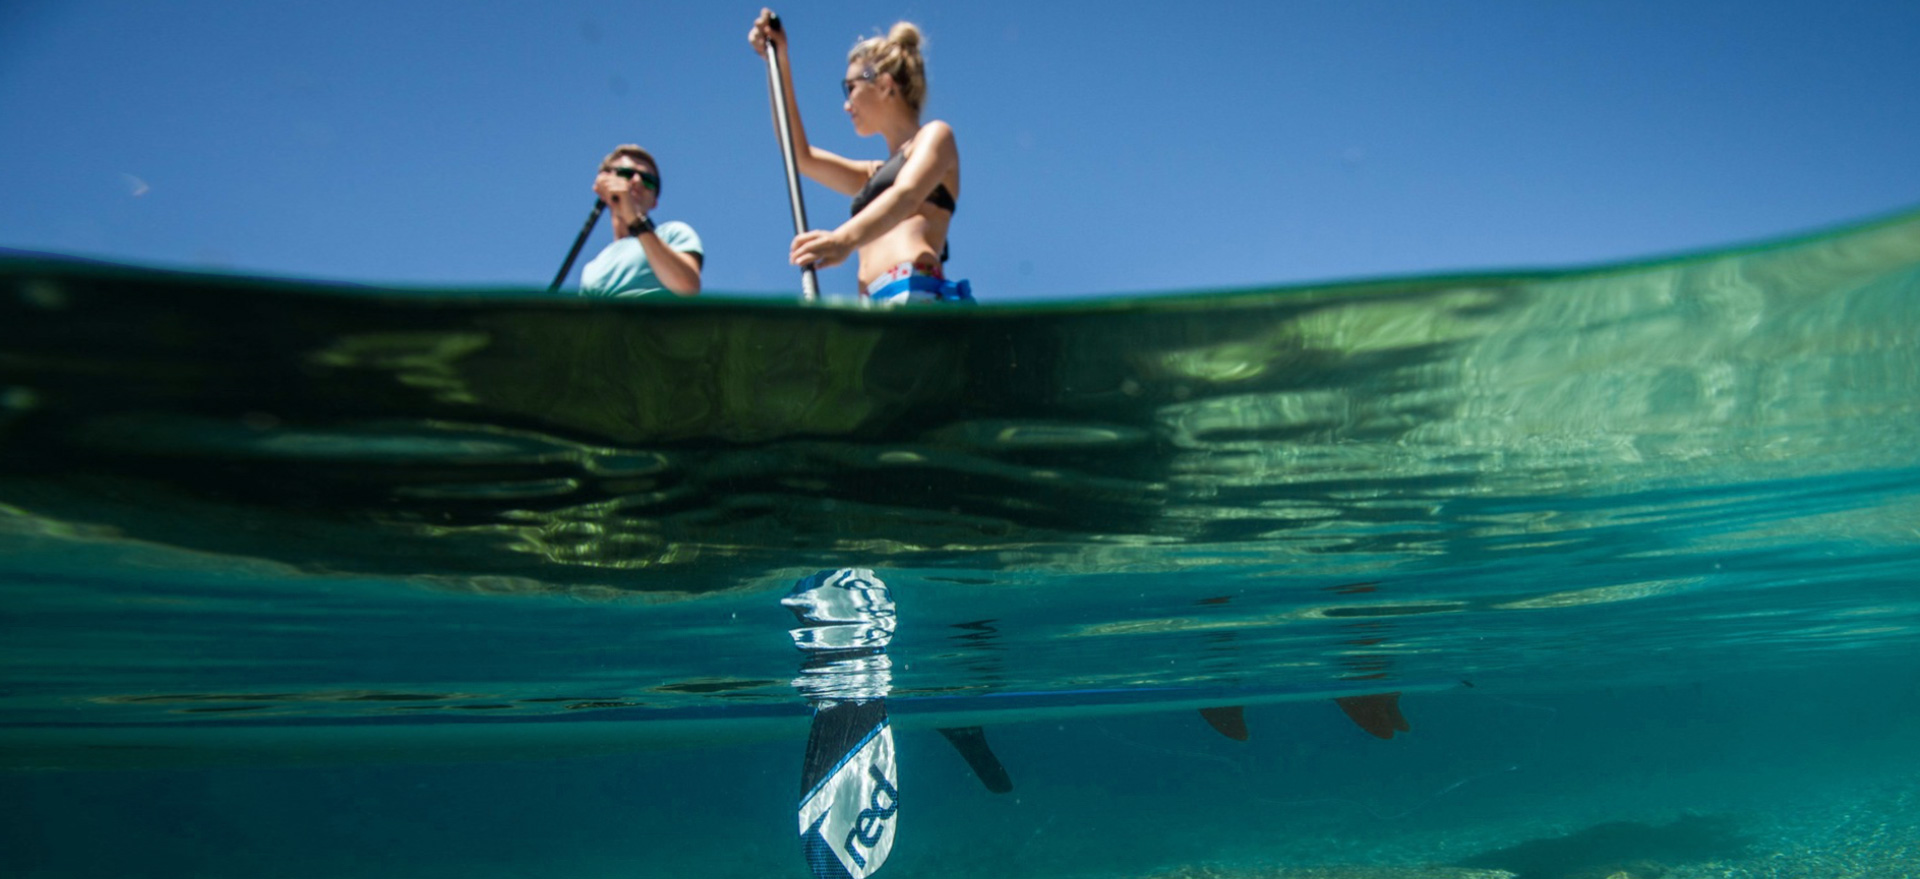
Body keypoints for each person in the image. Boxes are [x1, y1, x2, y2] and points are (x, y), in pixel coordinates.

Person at [749, 10, 970, 305]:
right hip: (873, 306)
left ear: (884, 84)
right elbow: (799, 156)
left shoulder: (935, 136)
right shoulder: (872, 175)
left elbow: (906, 195)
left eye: (850, 87)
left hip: (915, 293)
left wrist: (843, 240)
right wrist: (777, 61)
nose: (846, 104)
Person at [578, 144, 703, 298]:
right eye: (627, 174)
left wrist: (636, 221)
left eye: (648, 180)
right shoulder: (593, 268)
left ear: (654, 201)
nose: (637, 181)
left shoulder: (672, 233)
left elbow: (688, 287)